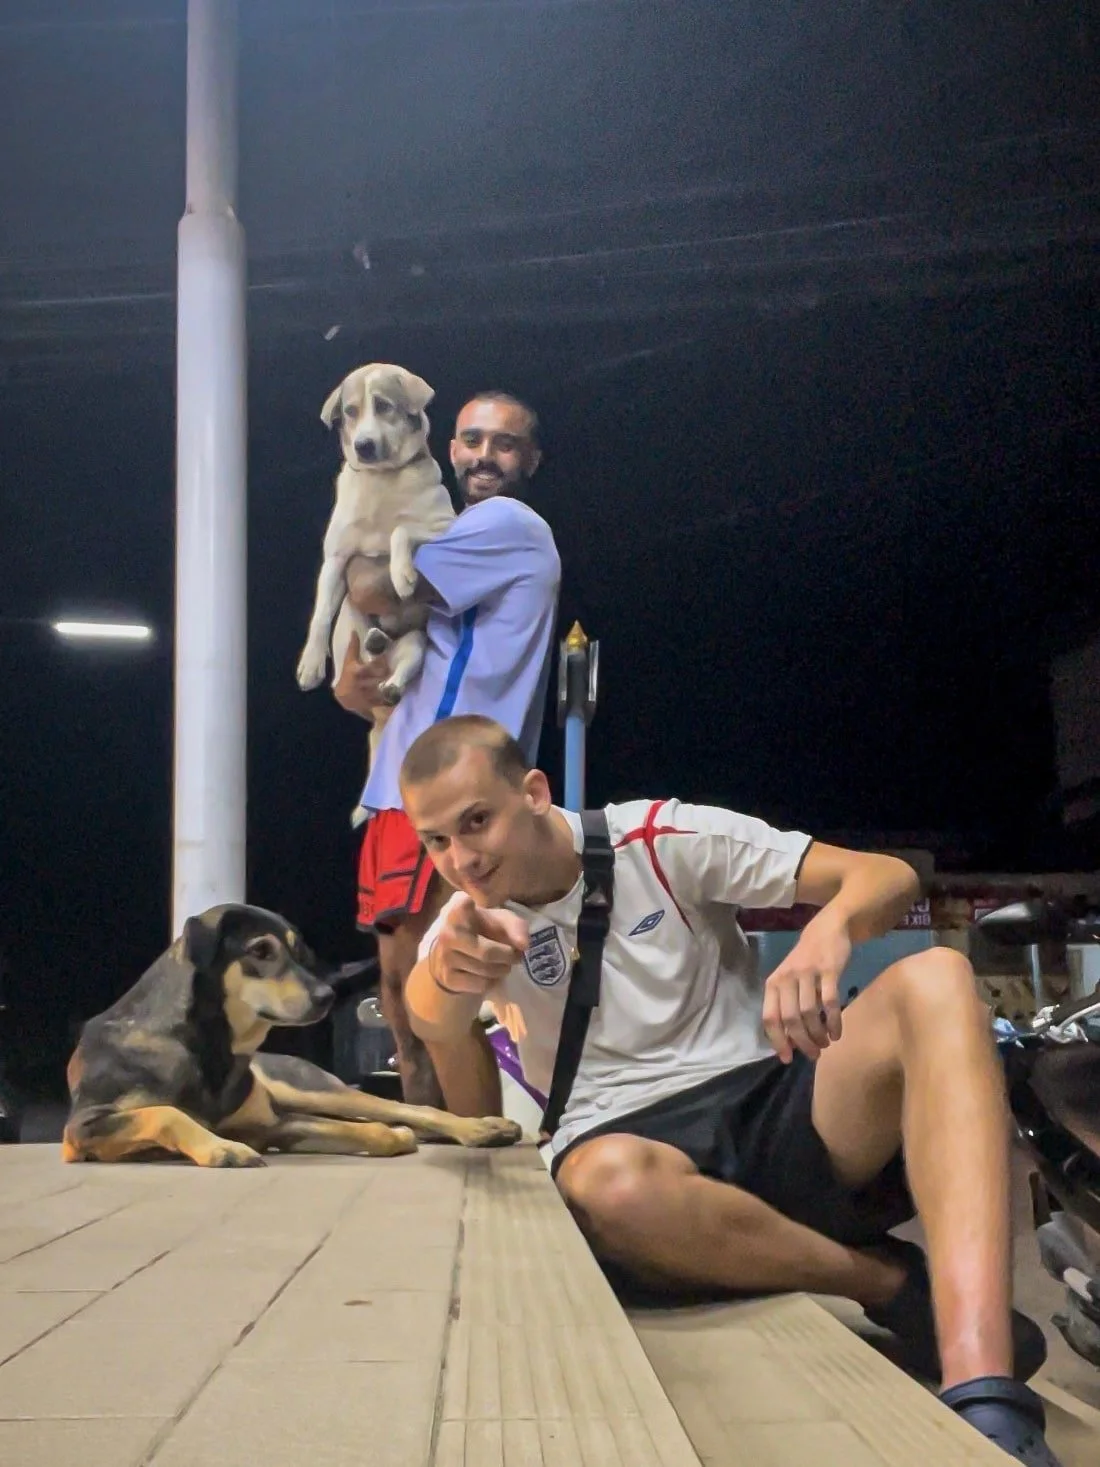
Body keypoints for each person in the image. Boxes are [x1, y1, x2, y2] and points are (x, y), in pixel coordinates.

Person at [398, 714, 1061, 1467]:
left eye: (475, 821)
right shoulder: (466, 927)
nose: (462, 858)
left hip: (771, 1104)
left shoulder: (657, 839)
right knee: (605, 1185)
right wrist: (443, 986)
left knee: (938, 977)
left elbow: (888, 876)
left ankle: (986, 1390)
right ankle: (882, 1279)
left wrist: (829, 930)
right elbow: (436, 1028)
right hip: (632, 1155)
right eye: (436, 840)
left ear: (534, 793)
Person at [334, 393, 560, 1110]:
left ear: (530, 460)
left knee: (437, 987)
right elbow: (369, 678)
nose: (485, 455)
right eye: (472, 440)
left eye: (505, 443)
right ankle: (434, 1142)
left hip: (453, 794)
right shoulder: (452, 535)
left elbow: (370, 585)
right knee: (404, 994)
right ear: (450, 448)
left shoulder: (506, 524)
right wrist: (360, 685)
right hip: (404, 785)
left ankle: (464, 1147)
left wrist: (357, 532)